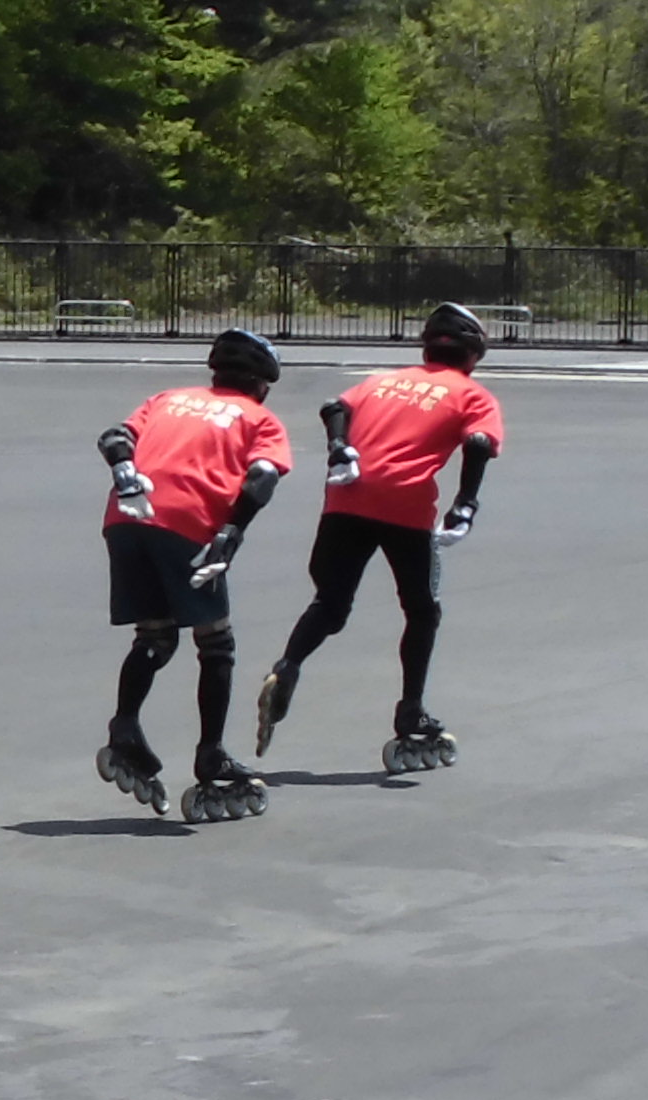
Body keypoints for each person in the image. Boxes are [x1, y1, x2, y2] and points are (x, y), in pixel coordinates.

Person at [256, 301, 505, 773]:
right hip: (405, 506)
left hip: (347, 498)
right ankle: (410, 710)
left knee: (330, 604)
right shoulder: (472, 394)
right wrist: (465, 503)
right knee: (421, 610)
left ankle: (288, 664)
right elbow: (477, 442)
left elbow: (335, 407)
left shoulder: (382, 381)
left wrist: (338, 448)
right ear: (473, 354)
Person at [97, 328, 294, 825]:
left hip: (125, 519)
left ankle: (124, 726)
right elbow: (263, 476)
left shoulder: (168, 399)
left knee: (156, 636)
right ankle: (211, 753)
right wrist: (233, 530)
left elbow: (115, 438)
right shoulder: (260, 417)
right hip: (188, 524)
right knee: (216, 643)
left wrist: (124, 472)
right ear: (262, 385)